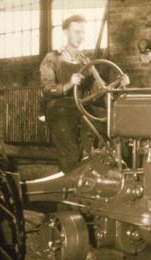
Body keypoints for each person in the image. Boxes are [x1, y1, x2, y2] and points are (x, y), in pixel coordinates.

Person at [39, 14, 108, 173]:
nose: (80, 36)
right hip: (59, 108)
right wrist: (69, 84)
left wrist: (119, 83)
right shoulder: (52, 58)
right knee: (71, 153)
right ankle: (69, 187)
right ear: (65, 32)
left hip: (81, 106)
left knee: (109, 129)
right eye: (76, 32)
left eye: (83, 32)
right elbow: (46, 88)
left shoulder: (85, 60)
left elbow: (100, 88)